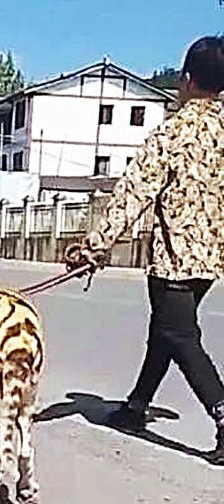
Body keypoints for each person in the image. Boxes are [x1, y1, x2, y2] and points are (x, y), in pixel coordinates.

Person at [64, 35, 224, 465]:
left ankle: (223, 414)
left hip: (175, 259)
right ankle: (136, 407)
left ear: (187, 80)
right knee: (165, 333)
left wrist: (94, 247)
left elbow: (133, 194)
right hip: (211, 260)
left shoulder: (172, 133)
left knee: (179, 335)